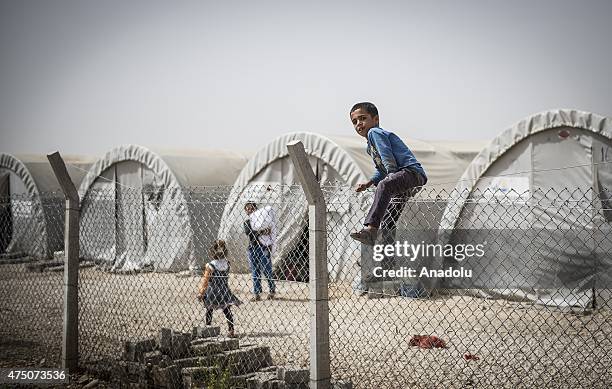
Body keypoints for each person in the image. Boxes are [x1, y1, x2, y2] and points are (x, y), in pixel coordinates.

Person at [349, 102, 428, 246]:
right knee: (388, 219)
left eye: (362, 118)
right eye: (354, 121)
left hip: (410, 172)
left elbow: (387, 157)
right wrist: (369, 183)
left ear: (375, 119)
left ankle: (370, 230)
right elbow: (381, 169)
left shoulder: (375, 132)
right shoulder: (369, 147)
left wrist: (390, 176)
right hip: (403, 179)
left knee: (384, 185)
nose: (358, 123)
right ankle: (387, 260)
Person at [197, 240, 241, 337]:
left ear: (212, 252)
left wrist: (201, 293)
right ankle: (231, 329)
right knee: (227, 310)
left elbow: (205, 281)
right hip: (224, 290)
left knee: (209, 309)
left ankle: (208, 327)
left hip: (212, 291)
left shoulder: (210, 265)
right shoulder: (227, 264)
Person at [244, 202, 276, 301]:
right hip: (252, 248)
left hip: (263, 247)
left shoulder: (264, 220)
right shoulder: (247, 222)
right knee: (255, 271)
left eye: (251, 208)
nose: (250, 210)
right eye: (247, 209)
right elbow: (249, 232)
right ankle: (256, 293)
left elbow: (269, 231)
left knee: (267, 270)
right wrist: (262, 231)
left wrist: (259, 232)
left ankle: (272, 290)